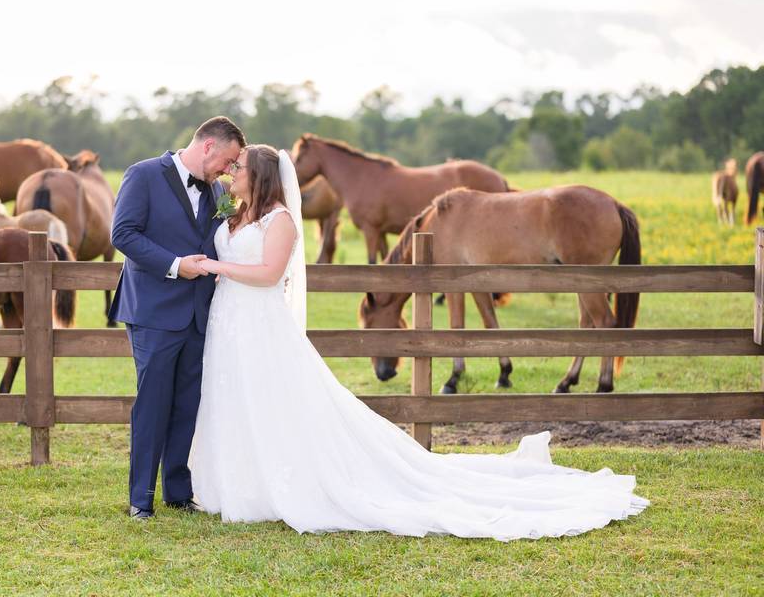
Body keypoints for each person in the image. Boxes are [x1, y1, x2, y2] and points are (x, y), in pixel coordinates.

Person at [188, 143, 649, 540]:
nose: (231, 172)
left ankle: (599, 369)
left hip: (256, 319)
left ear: (261, 176)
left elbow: (269, 274)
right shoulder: (235, 212)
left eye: (240, 167)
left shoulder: (279, 220)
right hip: (232, 325)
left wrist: (215, 267)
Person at [109, 116, 245, 519]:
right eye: (228, 159)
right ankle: (140, 500)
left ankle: (178, 492)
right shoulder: (144, 175)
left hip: (201, 314)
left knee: (188, 403)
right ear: (208, 146)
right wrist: (174, 265)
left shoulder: (218, 190)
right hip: (153, 311)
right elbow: (124, 234)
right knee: (152, 404)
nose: (229, 170)